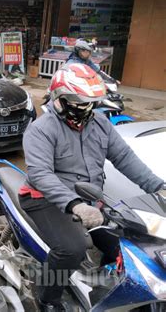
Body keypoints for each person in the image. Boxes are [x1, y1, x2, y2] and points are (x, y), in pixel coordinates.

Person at [21, 63, 164, 312]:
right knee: (71, 249)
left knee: (128, 242)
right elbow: (40, 175)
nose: (87, 109)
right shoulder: (41, 130)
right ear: (61, 99)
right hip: (44, 199)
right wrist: (74, 205)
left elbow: (125, 159)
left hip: (90, 199)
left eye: (91, 103)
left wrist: (159, 186)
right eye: (80, 102)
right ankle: (47, 298)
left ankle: (108, 288)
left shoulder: (100, 124)